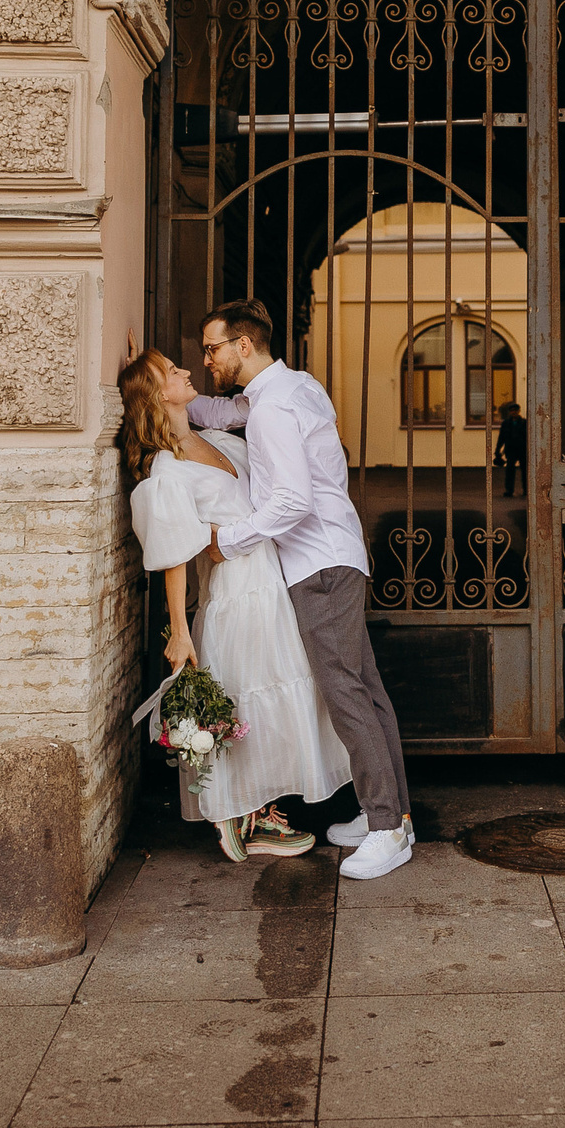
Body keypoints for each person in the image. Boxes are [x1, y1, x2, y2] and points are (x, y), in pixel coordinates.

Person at [190, 298, 415, 880]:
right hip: (338, 557)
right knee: (365, 691)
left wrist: (228, 541)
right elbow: (219, 411)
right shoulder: (291, 388)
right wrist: (168, 392)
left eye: (213, 348)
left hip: (317, 568)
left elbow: (292, 501)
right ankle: (387, 813)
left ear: (245, 345)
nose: (206, 359)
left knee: (345, 694)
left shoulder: (271, 409)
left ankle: (388, 829)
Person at [118, 348, 349, 862]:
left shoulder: (213, 438)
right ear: (156, 395)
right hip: (236, 594)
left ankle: (260, 811)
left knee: (276, 695)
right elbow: (174, 551)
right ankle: (239, 816)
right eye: (170, 371)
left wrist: (143, 360)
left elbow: (251, 403)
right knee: (252, 696)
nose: (185, 370)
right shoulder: (166, 467)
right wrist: (179, 629)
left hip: (269, 582)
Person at [493, 401, 527, 499]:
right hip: (510, 450)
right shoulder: (506, 424)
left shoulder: (524, 423)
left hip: (522, 450)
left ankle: (526, 489)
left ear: (518, 411)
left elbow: (529, 438)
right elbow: (501, 438)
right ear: (509, 412)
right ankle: (509, 490)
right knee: (510, 471)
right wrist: (497, 450)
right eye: (511, 411)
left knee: (525, 471)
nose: (513, 412)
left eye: (515, 410)